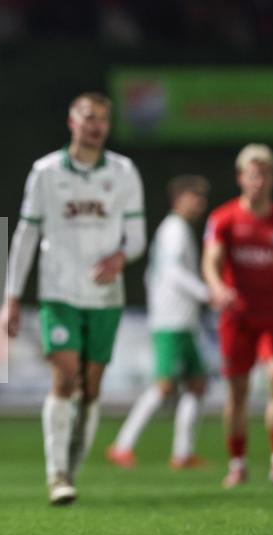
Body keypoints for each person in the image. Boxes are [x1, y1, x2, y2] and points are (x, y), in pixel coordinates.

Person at [2, 92, 145, 505]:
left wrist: (120, 257)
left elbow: (137, 237)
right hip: (59, 293)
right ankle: (57, 473)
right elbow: (26, 235)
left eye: (102, 119)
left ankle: (72, 467)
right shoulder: (45, 172)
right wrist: (12, 295)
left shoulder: (123, 172)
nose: (96, 125)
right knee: (66, 378)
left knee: (92, 389)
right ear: (72, 122)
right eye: (88, 117)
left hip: (105, 297)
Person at [107, 175, 217, 470]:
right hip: (172, 320)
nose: (201, 203)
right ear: (179, 199)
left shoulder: (177, 229)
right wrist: (206, 293)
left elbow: (152, 275)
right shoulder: (174, 230)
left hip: (183, 319)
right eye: (196, 197)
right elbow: (172, 272)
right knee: (165, 386)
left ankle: (183, 453)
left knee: (197, 384)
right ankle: (122, 446)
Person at [201, 144, 273, 488]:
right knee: (238, 390)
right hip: (236, 316)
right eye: (253, 175)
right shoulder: (224, 218)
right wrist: (216, 287)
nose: (259, 181)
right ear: (241, 178)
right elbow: (211, 260)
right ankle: (237, 463)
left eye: (264, 175)